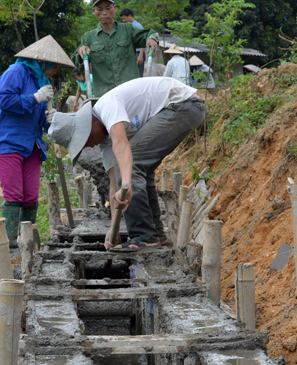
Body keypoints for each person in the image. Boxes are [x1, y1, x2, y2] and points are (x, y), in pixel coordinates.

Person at [47, 76, 205, 252]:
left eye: (85, 142)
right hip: (178, 109)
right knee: (137, 169)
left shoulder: (107, 106)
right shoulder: (105, 139)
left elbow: (122, 147)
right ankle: (155, 235)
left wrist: (128, 184)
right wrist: (113, 229)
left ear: (88, 127)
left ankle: (144, 237)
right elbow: (115, 182)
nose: (90, 146)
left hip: (184, 105)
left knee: (134, 161)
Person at [0, 35, 74, 248]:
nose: (55, 72)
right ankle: (11, 246)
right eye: (55, 67)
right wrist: (34, 98)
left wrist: (51, 119)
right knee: (14, 194)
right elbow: (5, 101)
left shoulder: (42, 83)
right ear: (43, 62)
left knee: (31, 196)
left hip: (32, 144)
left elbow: (40, 120)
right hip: (9, 141)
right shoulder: (16, 73)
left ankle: (27, 243)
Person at [72, 0, 159, 98]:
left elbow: (149, 33)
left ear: (114, 8)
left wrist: (151, 39)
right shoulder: (88, 37)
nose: (104, 13)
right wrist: (81, 52)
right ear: (94, 11)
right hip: (106, 97)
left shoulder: (128, 29)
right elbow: (76, 61)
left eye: (108, 8)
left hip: (132, 94)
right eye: (100, 9)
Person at [120, 8, 145, 77]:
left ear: (130, 16)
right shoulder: (127, 27)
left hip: (138, 53)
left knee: (138, 74)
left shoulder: (138, 26)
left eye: (124, 18)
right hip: (131, 53)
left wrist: (140, 56)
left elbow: (142, 40)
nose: (123, 20)